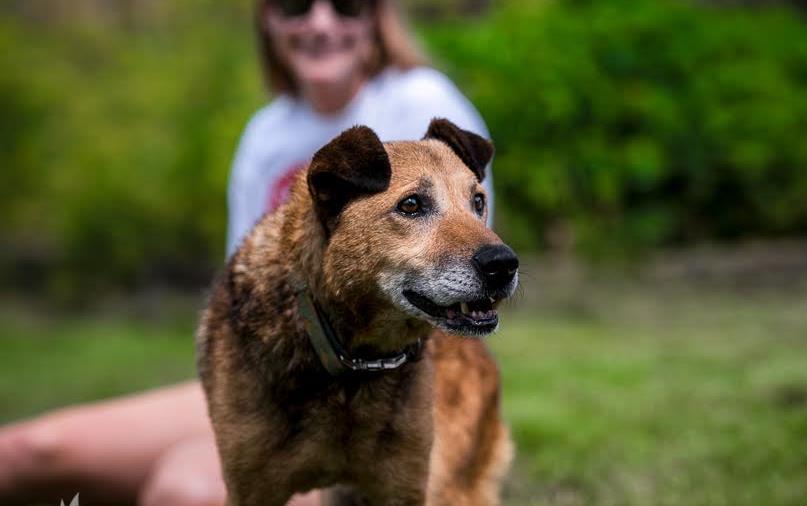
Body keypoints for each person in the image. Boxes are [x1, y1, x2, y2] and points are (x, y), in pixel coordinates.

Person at [0, 1, 494, 505]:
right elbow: (239, 295)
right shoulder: (265, 134)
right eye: (295, 5)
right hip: (278, 370)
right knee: (21, 450)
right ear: (267, 20)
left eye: (346, 4)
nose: (321, 23)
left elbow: (463, 259)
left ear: (376, 17)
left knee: (183, 492)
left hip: (386, 378)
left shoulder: (420, 101)